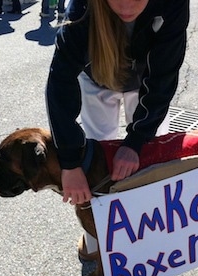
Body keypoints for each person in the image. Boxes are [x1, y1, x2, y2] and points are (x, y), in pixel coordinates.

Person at [46, 0, 189, 205]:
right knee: (97, 155)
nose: (126, 8)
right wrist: (70, 163)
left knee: (152, 154)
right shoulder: (81, 7)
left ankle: (155, 213)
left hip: (145, 77)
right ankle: (104, 213)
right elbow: (60, 82)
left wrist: (136, 141)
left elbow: (163, 77)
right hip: (97, 76)